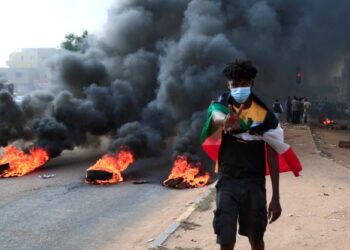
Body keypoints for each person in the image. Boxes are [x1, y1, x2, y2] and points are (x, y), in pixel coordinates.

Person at [203, 60, 282, 250]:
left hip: (254, 183)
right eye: (235, 85)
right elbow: (215, 117)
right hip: (227, 181)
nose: (239, 88)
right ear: (228, 85)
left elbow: (272, 156)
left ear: (252, 84)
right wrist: (226, 122)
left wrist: (276, 197)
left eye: (244, 84)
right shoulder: (221, 106)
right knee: (226, 238)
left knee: (256, 238)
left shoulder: (265, 117)